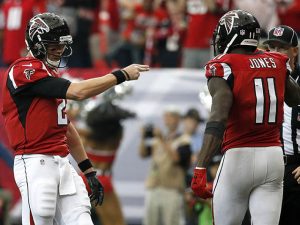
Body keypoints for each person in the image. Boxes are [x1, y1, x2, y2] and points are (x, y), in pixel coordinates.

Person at [1, 12, 149, 225]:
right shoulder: (23, 69)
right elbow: (78, 92)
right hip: (35, 161)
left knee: (82, 219)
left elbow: (66, 128)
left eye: (61, 46)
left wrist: (88, 170)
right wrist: (120, 75)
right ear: (36, 43)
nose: (59, 51)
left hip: (62, 162)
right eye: (53, 46)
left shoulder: (50, 74)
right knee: (41, 217)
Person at [190, 9, 300, 225]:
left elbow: (218, 117)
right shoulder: (276, 61)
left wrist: (201, 165)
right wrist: (272, 64)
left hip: (238, 156)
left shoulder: (223, 65)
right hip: (273, 158)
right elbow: (295, 97)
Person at [263, 25, 300, 225]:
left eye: (282, 48)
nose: (276, 53)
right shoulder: (261, 78)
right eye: (273, 48)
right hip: (268, 166)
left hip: (295, 167)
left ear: (295, 50)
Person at [80, 101, 135, 225]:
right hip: (101, 180)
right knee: (116, 222)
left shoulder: (86, 137)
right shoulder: (115, 138)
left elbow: (69, 127)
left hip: (82, 179)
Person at [139, 106, 192, 225]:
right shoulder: (157, 140)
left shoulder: (184, 140)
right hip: (153, 187)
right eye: (165, 116)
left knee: (172, 222)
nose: (166, 119)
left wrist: (162, 139)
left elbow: (176, 158)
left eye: (170, 116)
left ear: (178, 119)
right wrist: (143, 137)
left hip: (172, 189)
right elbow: (142, 154)